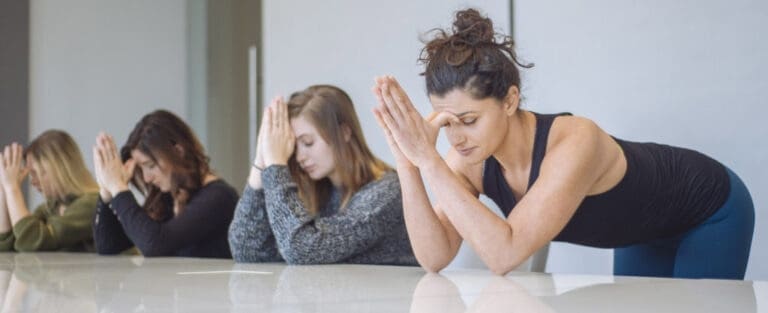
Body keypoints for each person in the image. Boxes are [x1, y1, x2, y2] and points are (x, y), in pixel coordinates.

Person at [372, 8, 754, 279]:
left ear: (509, 100)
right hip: (643, 227)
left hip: (708, 210)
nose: (456, 138)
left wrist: (431, 162)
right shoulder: (468, 158)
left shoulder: (576, 141)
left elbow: (504, 254)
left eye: (469, 120)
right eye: (446, 123)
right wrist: (410, 164)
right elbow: (435, 256)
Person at [228, 85, 416, 265]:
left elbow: (302, 249)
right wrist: (261, 162)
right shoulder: (322, 192)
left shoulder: (386, 192)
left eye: (308, 143)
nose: (300, 157)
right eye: (295, 147)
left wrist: (276, 165)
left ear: (344, 133)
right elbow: (246, 250)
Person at [92, 110, 238, 258]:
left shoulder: (218, 197)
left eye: (150, 166)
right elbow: (109, 245)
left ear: (178, 151)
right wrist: (107, 192)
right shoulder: (167, 197)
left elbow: (155, 245)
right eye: (141, 168)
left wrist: (118, 187)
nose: (146, 178)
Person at [0, 130, 99, 252]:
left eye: (36, 173)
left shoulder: (92, 204)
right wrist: (4, 190)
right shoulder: (51, 207)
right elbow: (7, 245)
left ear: (58, 169)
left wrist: (12, 188)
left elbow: (32, 241)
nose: (33, 181)